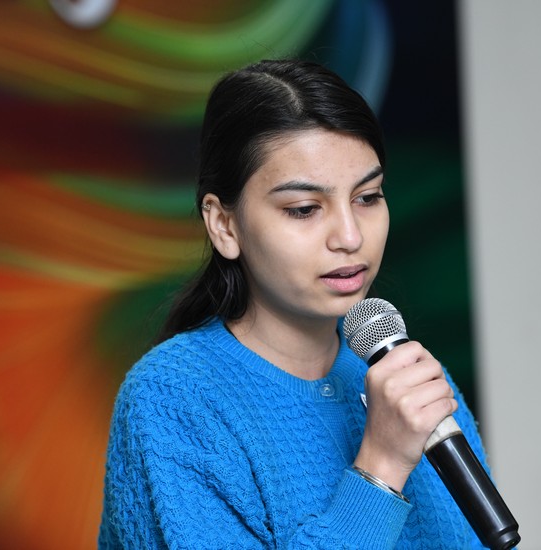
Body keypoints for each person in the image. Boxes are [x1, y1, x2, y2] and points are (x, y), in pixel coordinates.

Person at [98, 59, 492, 549]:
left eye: (368, 197)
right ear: (224, 225)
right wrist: (381, 467)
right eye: (304, 209)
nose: (350, 237)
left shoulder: (407, 381)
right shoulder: (172, 402)